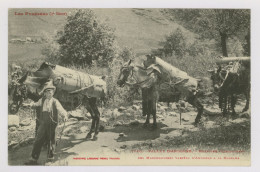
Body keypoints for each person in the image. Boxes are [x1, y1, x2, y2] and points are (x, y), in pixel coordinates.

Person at [24, 82, 68, 165]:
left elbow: (61, 110)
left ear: (53, 93)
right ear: (44, 93)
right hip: (43, 123)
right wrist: (31, 105)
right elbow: (36, 104)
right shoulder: (42, 100)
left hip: (52, 123)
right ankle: (33, 158)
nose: (48, 94)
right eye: (46, 92)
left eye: (50, 92)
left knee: (51, 140)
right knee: (38, 139)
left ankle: (50, 159)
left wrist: (65, 115)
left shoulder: (55, 101)